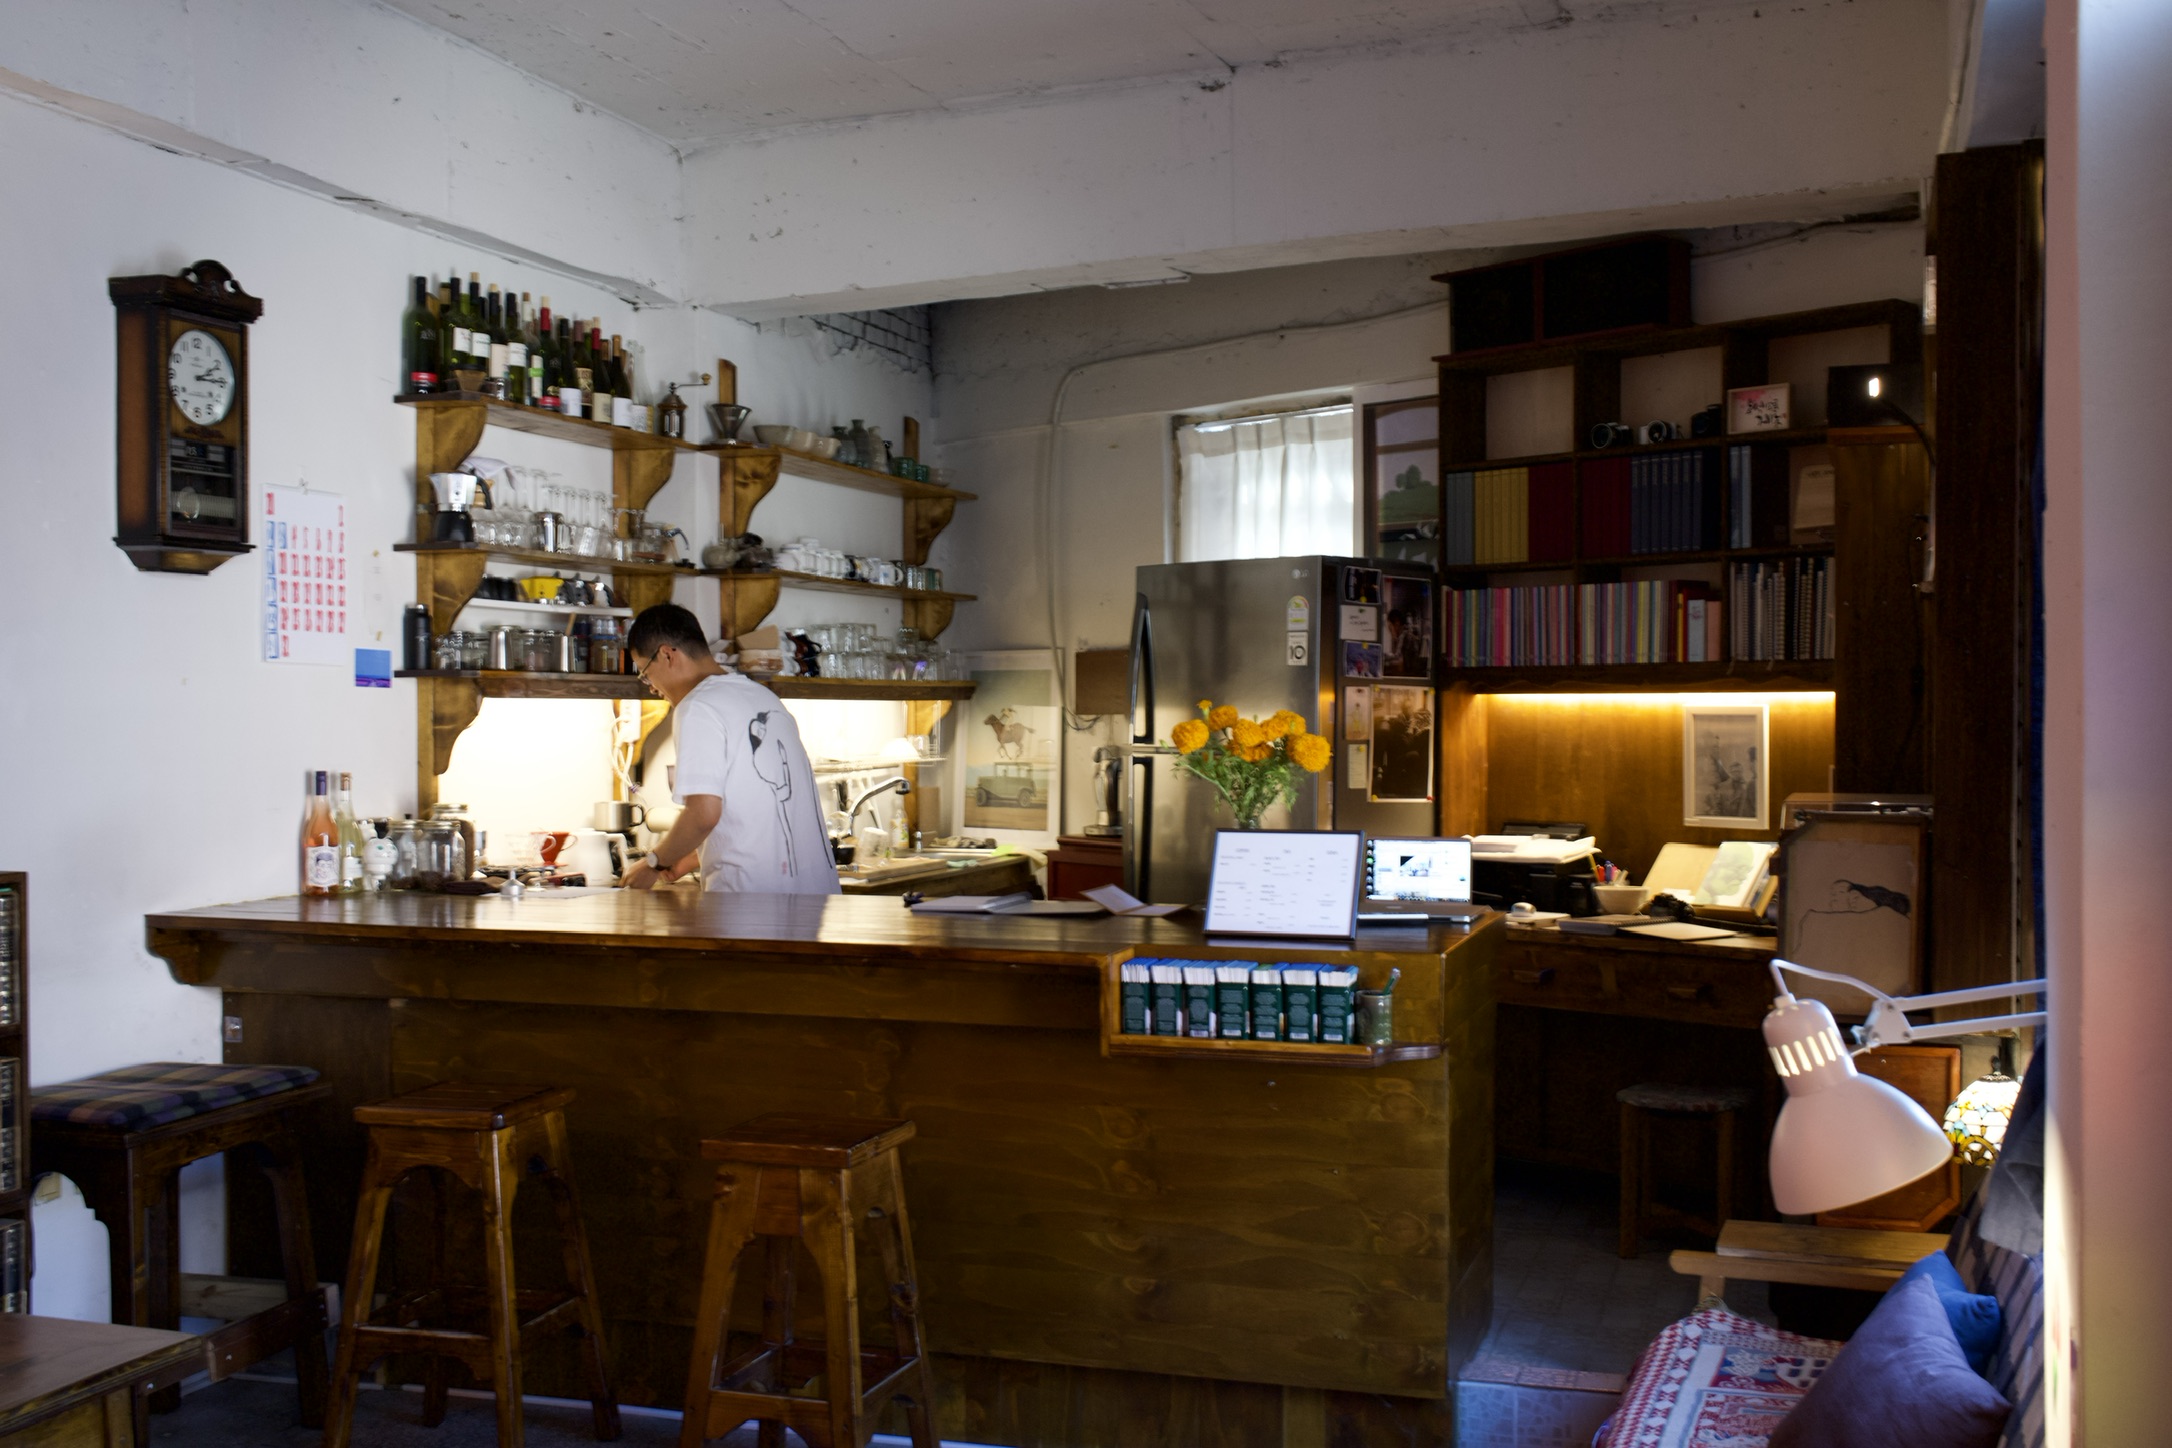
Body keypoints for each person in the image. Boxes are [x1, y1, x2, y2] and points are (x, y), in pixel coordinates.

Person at [618, 603, 840, 895]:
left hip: (751, 904)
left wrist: (653, 863)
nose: (650, 686)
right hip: (812, 897)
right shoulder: (762, 697)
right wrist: (690, 858)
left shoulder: (697, 707)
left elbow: (703, 815)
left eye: (645, 673)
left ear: (667, 655)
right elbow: (763, 810)